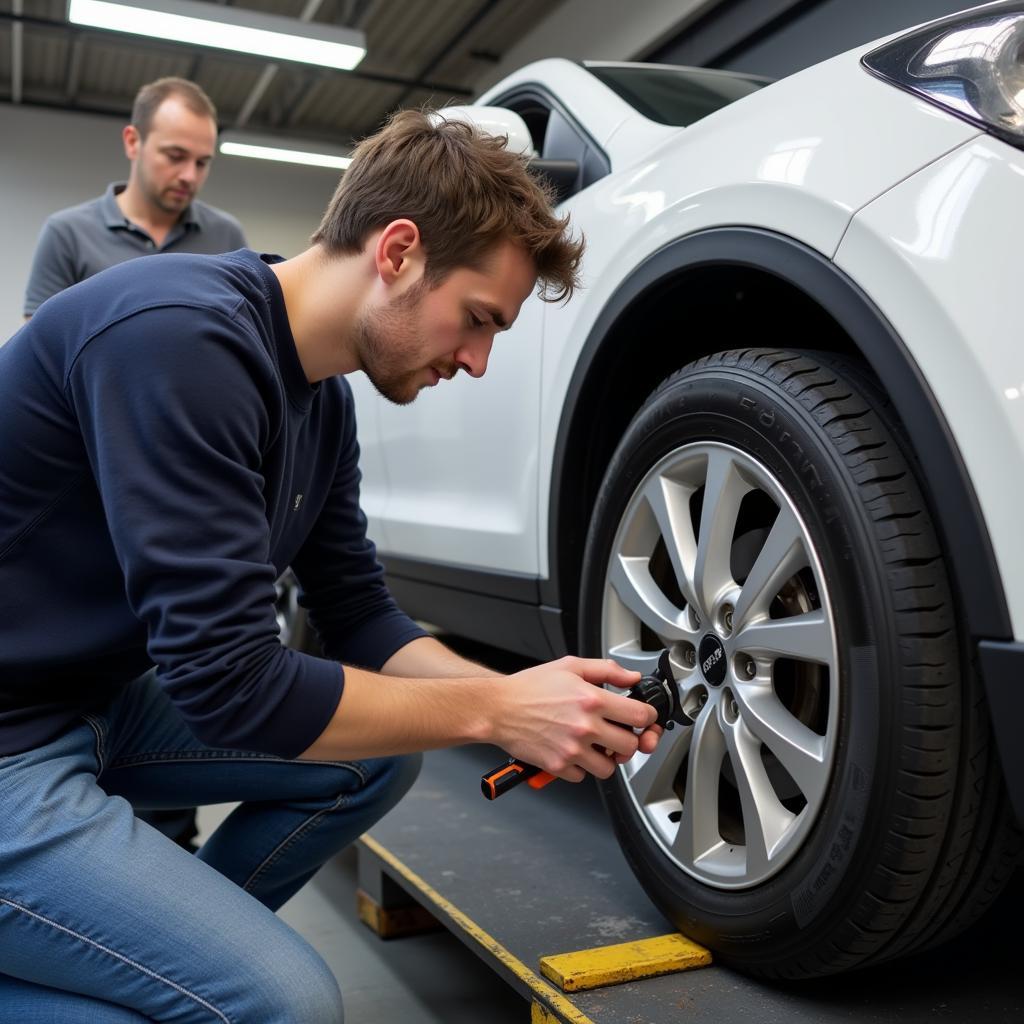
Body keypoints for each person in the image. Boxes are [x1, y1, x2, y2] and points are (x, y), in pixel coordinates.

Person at [0, 109, 661, 1022]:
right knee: (290, 1004)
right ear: (397, 251)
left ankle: (150, 950)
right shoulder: (179, 340)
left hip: (85, 704)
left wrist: (528, 701)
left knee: (379, 762)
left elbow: (359, 617)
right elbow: (234, 688)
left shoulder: (320, 406)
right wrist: (498, 709)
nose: (476, 361)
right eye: (477, 320)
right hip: (9, 746)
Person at [23, 76, 246, 318]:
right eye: (175, 156)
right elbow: (40, 348)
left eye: (202, 163)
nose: (190, 176)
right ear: (132, 142)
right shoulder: (68, 233)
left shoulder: (227, 236)